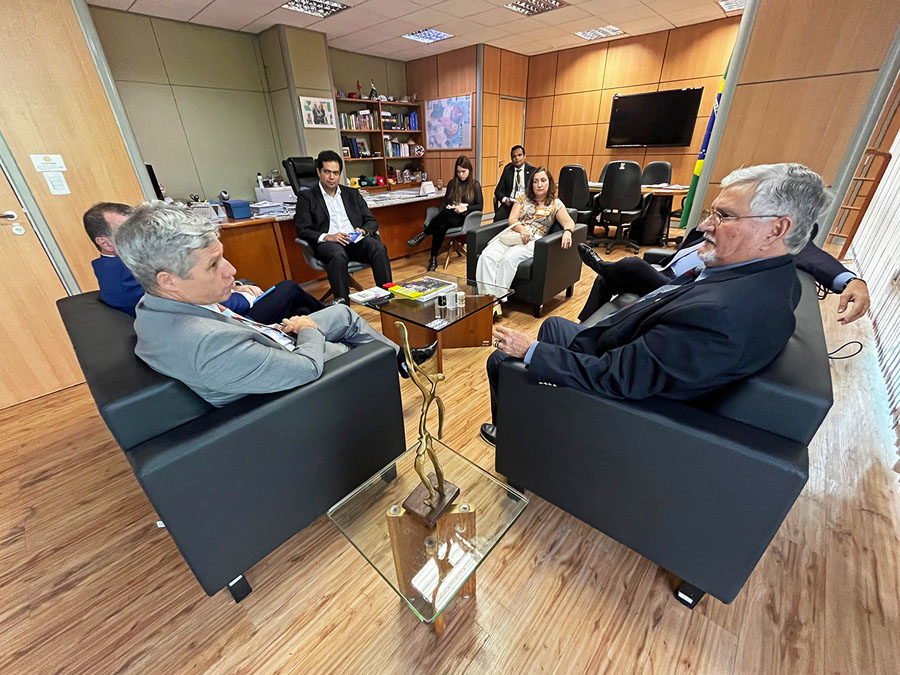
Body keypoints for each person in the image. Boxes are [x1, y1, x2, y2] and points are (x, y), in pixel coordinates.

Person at [480, 163, 828, 446]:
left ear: (776, 229)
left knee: (502, 360)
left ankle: (514, 440)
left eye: (723, 215)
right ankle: (528, 423)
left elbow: (616, 378)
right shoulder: (772, 277)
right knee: (554, 325)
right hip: (622, 347)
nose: (704, 224)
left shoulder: (720, 316)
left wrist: (531, 351)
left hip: (610, 387)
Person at [114, 202, 435, 407]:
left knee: (343, 314)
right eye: (213, 265)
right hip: (301, 371)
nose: (231, 271)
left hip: (270, 340)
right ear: (169, 280)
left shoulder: (155, 302)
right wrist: (307, 329)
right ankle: (387, 364)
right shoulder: (208, 344)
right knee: (363, 349)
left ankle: (400, 358)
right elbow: (307, 368)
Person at [575, 224, 870, 325]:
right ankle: (582, 322)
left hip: (680, 287)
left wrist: (851, 280)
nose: (711, 221)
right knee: (606, 279)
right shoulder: (715, 226)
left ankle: (605, 267)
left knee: (632, 265)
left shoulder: (773, 238)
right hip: (665, 270)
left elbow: (811, 255)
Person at [83, 202, 325, 321]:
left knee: (301, 311)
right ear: (104, 242)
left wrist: (237, 286)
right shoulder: (130, 276)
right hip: (229, 317)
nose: (136, 236)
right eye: (126, 231)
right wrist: (245, 297)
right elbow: (199, 301)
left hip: (219, 309)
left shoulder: (111, 268)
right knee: (289, 289)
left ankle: (324, 319)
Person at [295, 150, 393, 304]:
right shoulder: (307, 197)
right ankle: (343, 305)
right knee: (338, 254)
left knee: (378, 248)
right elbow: (302, 229)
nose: (331, 177)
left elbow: (371, 221)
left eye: (335, 173)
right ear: (319, 172)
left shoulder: (352, 194)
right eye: (327, 172)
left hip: (354, 240)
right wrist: (328, 237)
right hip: (329, 244)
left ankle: (387, 297)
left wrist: (363, 230)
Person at [476, 167, 576, 317]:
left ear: (549, 182)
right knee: (486, 256)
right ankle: (487, 299)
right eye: (535, 181)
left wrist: (568, 231)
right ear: (531, 184)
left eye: (543, 180)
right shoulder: (523, 198)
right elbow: (512, 219)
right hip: (514, 233)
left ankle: (496, 301)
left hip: (534, 239)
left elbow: (569, 222)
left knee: (509, 258)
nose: (539, 184)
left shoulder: (555, 204)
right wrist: (521, 229)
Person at [406, 155, 483, 271]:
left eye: (463, 172)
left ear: (469, 170)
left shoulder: (475, 185)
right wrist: (449, 206)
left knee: (443, 220)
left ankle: (424, 235)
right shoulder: (452, 183)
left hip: (464, 218)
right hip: (449, 215)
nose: (461, 175)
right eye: (458, 172)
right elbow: (445, 202)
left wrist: (465, 208)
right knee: (441, 226)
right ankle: (433, 259)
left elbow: (480, 206)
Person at [493, 145, 534, 222]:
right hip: (510, 204)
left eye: (519, 155)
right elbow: (497, 191)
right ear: (511, 159)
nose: (517, 158)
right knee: (497, 219)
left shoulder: (532, 171)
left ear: (524, 156)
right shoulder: (507, 170)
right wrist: (505, 200)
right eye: (514, 156)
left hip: (526, 205)